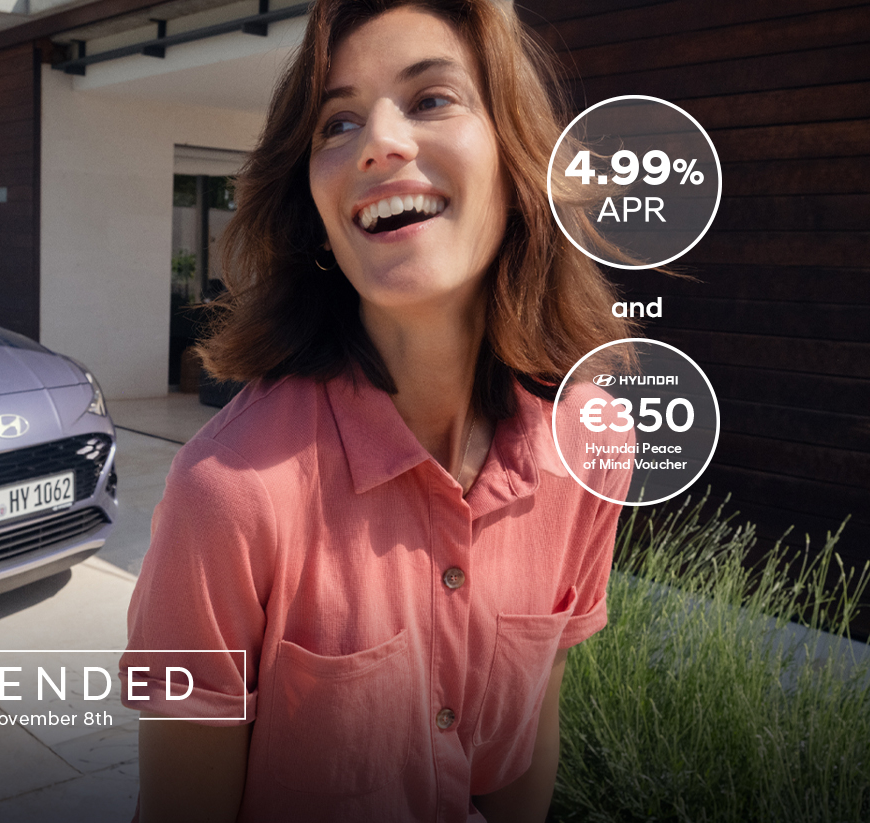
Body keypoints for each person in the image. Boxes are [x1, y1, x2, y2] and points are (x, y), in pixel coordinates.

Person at [120, 1, 636, 821]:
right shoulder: (225, 494)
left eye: (433, 99)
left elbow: (527, 742)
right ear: (321, 216)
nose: (378, 143)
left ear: (516, 162)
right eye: (338, 123)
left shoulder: (593, 442)